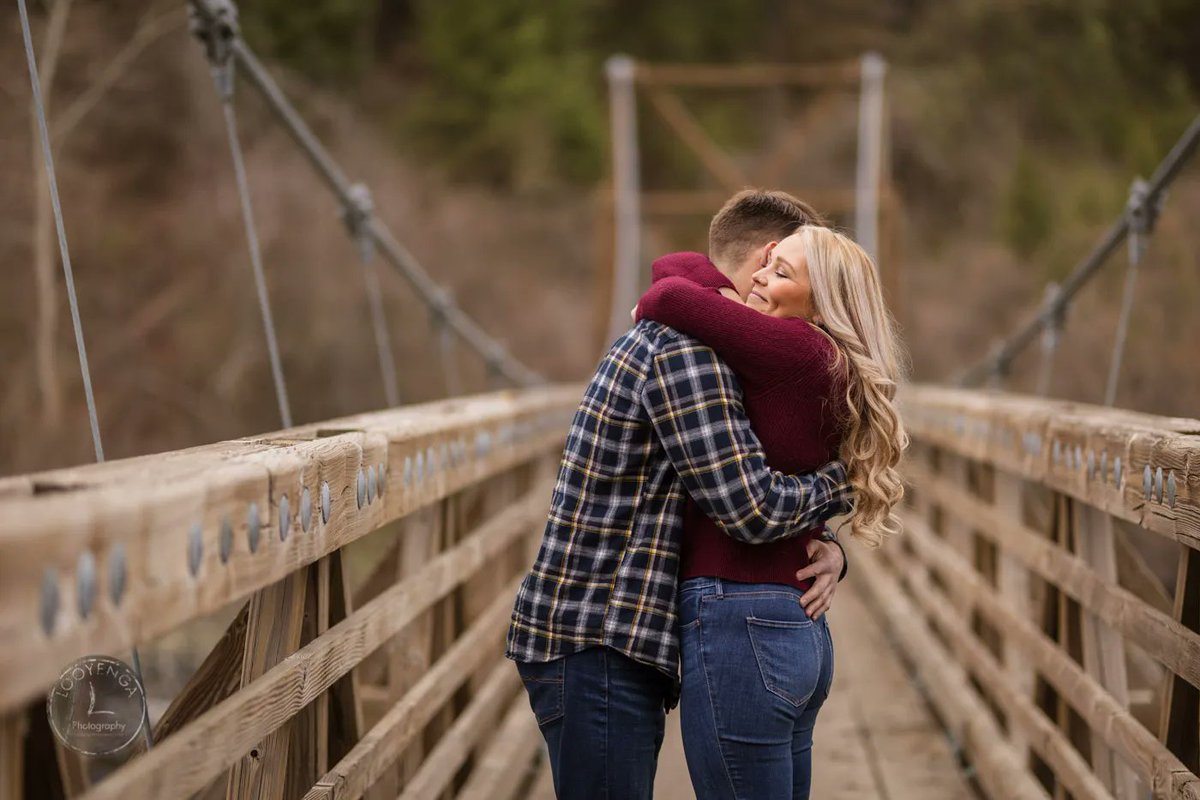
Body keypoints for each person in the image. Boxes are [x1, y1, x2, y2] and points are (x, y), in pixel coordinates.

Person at [506, 190, 851, 799]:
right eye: (785, 270)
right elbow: (749, 507)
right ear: (765, 259)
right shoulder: (687, 352)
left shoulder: (695, 340)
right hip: (598, 635)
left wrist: (833, 549)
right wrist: (838, 485)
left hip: (612, 635)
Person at [633, 219, 907, 798]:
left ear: (821, 303)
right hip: (794, 629)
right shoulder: (822, 362)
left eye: (782, 272)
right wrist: (833, 545)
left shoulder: (795, 347)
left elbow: (667, 291)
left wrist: (715, 296)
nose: (760, 276)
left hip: (739, 622)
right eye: (766, 261)